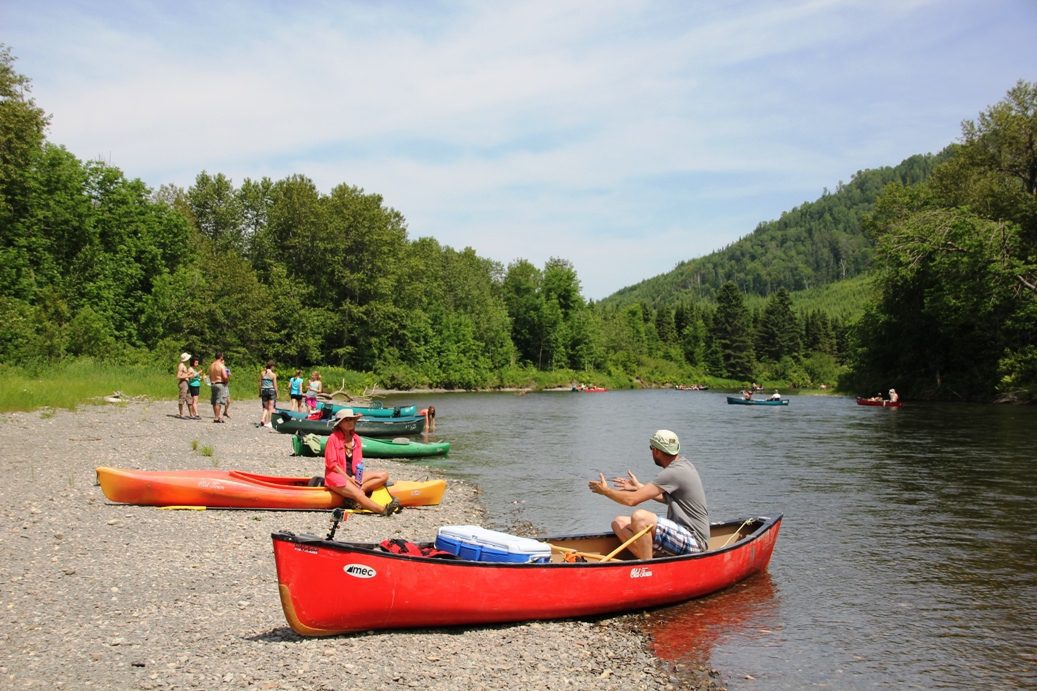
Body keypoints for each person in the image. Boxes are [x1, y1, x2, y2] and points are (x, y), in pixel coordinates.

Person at [587, 429, 709, 561]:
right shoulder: (683, 465)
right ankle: (652, 559)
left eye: (651, 448)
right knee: (619, 523)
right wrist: (639, 487)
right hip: (681, 535)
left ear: (656, 451)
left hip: (695, 541)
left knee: (640, 517)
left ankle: (647, 567)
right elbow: (667, 499)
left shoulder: (673, 472)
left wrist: (606, 491)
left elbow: (631, 501)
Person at [324, 409, 401, 516]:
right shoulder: (333, 438)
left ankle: (352, 497)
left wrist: (357, 478)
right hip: (337, 476)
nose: (350, 422)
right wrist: (349, 479)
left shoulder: (356, 439)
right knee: (358, 493)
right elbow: (332, 465)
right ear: (340, 423)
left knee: (384, 475)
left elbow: (359, 463)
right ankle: (383, 510)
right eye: (347, 420)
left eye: (352, 419)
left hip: (354, 476)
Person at [208, 352, 229, 423]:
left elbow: (210, 376)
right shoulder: (221, 365)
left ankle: (217, 416)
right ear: (221, 357)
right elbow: (225, 376)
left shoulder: (211, 365)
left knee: (214, 401)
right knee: (218, 401)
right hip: (219, 383)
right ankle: (217, 417)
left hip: (213, 383)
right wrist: (226, 381)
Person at [258, 361, 278, 427]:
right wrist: (277, 394)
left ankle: (263, 419)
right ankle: (269, 422)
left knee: (265, 407)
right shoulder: (273, 375)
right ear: (272, 366)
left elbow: (260, 383)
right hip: (271, 391)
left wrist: (260, 392)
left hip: (263, 391)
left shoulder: (262, 373)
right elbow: (275, 386)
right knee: (270, 408)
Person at [176, 353, 192, 418]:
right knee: (182, 397)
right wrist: (188, 375)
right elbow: (178, 376)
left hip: (186, 382)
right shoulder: (181, 366)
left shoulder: (184, 365)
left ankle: (191, 414)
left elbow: (184, 375)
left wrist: (189, 375)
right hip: (183, 383)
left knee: (189, 398)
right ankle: (181, 414)